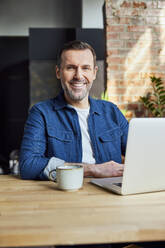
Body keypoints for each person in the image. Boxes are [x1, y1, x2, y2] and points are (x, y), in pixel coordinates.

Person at [19, 40, 129, 180]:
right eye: (71, 68)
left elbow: (140, 154)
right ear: (58, 72)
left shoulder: (111, 111)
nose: (78, 76)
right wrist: (93, 170)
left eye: (85, 68)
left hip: (111, 195)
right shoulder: (41, 113)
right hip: (65, 195)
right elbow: (28, 165)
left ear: (94, 73)